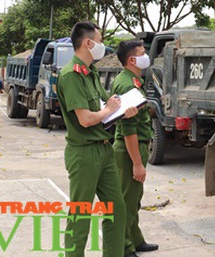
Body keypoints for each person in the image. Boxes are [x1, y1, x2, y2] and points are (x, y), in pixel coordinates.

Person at [56, 21, 139, 257]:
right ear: (88, 43)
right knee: (80, 216)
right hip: (83, 153)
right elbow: (85, 119)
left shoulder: (90, 72)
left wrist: (125, 110)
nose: (103, 46)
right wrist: (108, 110)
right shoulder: (71, 75)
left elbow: (106, 109)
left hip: (104, 150)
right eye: (100, 41)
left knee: (117, 210)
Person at [112, 40, 158, 254]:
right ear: (132, 59)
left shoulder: (133, 80)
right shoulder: (128, 84)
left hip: (135, 146)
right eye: (142, 52)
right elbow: (128, 128)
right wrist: (137, 164)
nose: (146, 55)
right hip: (130, 149)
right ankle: (123, 246)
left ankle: (135, 239)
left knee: (134, 199)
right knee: (126, 202)